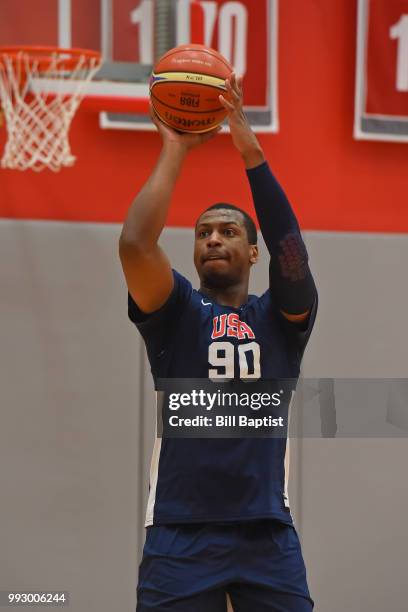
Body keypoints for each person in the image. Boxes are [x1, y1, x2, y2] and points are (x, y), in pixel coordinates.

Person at [119, 74, 318, 612]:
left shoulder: (279, 318)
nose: (212, 237)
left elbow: (292, 249)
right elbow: (136, 243)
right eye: (203, 231)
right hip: (181, 533)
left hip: (266, 533)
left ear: (254, 254)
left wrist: (247, 145)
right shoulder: (177, 312)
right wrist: (175, 147)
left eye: (228, 231)